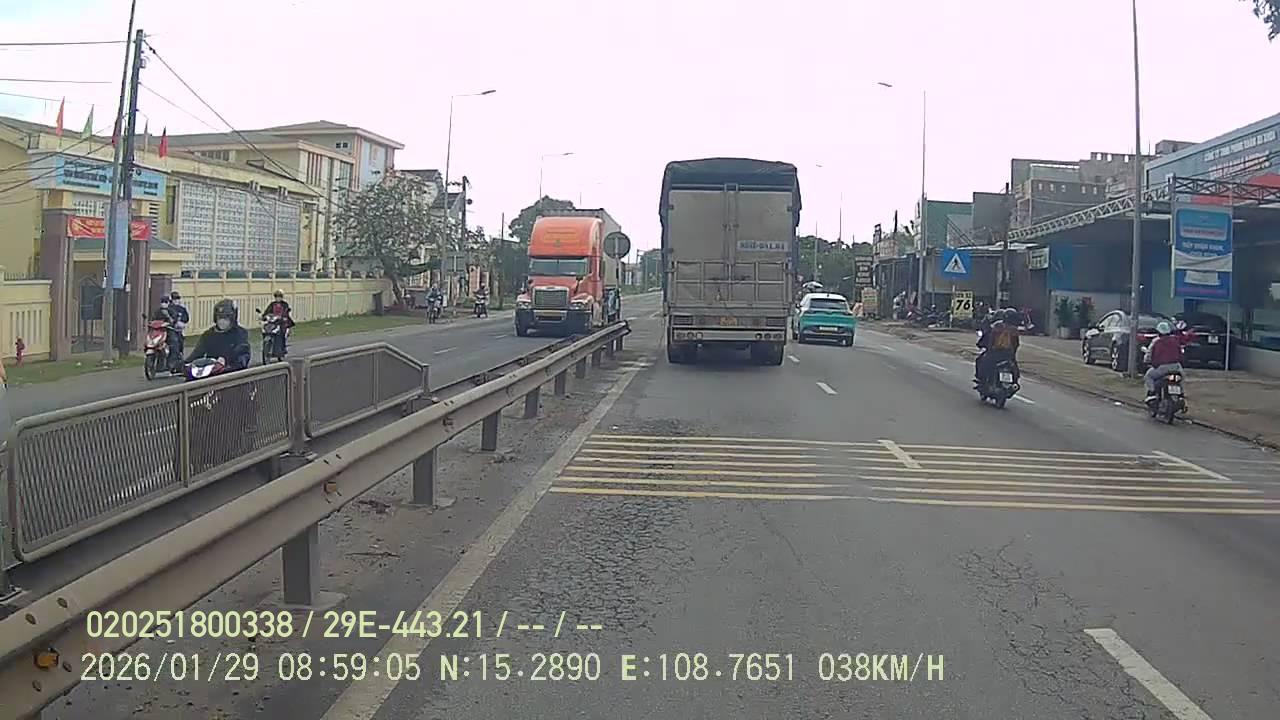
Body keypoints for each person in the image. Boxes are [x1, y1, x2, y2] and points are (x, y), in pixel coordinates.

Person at [186, 299, 252, 371]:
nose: (222, 321)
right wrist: (186, 364)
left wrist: (226, 361)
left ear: (232, 319)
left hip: (233, 372)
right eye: (219, 318)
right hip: (213, 371)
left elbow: (243, 355)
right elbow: (196, 354)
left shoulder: (240, 333)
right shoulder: (208, 335)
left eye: (226, 318)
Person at [975, 308, 1022, 387]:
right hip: (1008, 355)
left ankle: (982, 381)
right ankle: (1014, 382)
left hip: (995, 353)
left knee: (982, 362)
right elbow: (1016, 344)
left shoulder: (997, 327)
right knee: (1014, 367)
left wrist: (986, 347)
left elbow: (990, 340)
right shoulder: (1014, 330)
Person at [1144, 320, 1186, 402]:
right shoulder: (1175, 340)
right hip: (1176, 367)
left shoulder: (1156, 342)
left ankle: (1152, 393)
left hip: (1162, 368)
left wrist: (1147, 361)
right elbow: (1181, 354)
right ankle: (1181, 394)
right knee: (1181, 378)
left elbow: (1150, 355)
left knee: (1148, 376)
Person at [261, 289, 296, 355]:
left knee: (282, 333)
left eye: (279, 297)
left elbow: (286, 311)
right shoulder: (272, 304)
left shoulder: (284, 304)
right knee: (266, 329)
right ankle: (266, 346)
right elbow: (267, 311)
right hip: (273, 322)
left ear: (282, 297)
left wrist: (283, 317)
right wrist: (264, 316)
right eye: (276, 296)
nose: (278, 298)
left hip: (282, 322)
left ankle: (282, 348)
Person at [168, 291, 190, 372]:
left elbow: (186, 318)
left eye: (177, 299)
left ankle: (176, 362)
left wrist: (181, 322)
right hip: (168, 330)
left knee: (178, 343)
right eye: (174, 299)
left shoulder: (182, 309)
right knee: (173, 343)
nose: (176, 301)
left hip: (178, 330)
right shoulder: (168, 308)